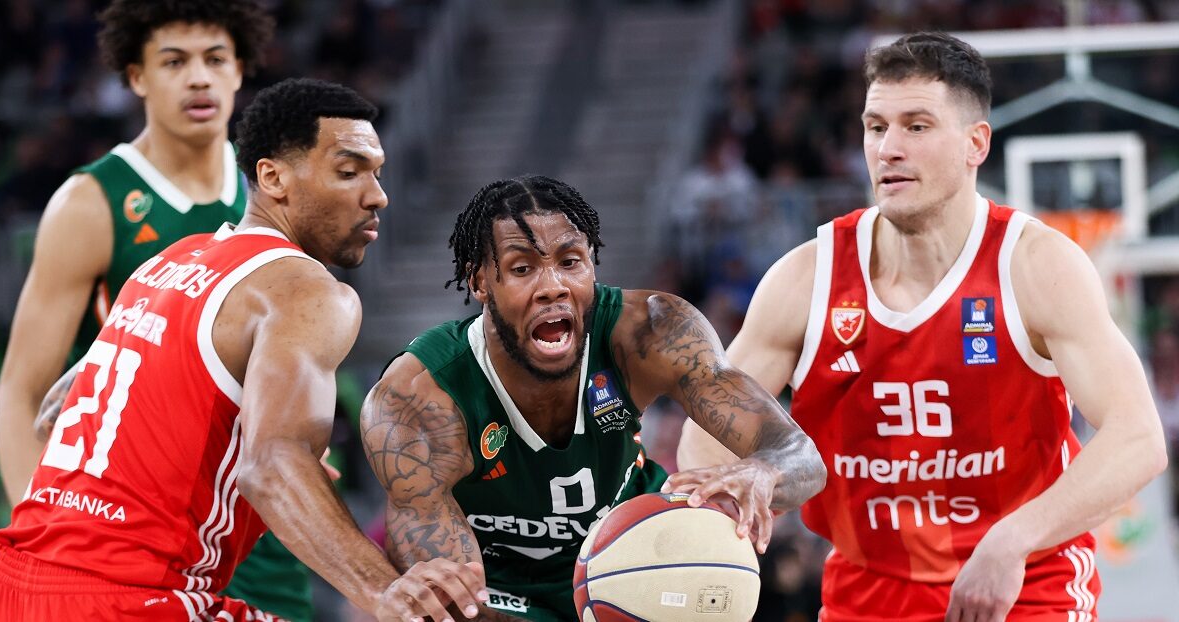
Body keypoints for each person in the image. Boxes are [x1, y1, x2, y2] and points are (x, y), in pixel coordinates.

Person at [677, 32, 1168, 621]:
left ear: (974, 144)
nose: (888, 148)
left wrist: (1012, 540)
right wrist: (727, 504)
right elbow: (706, 432)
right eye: (875, 126)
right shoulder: (808, 278)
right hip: (867, 592)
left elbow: (1138, 437)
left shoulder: (1037, 266)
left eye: (916, 126)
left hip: (1026, 584)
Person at [0, 77, 486, 622]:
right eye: (349, 172)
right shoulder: (306, 290)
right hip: (133, 599)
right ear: (272, 177)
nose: (376, 195)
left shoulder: (167, 264)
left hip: (13, 584)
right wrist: (386, 592)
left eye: (377, 173)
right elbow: (270, 466)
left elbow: (55, 412)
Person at [361, 175, 828, 621]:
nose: (553, 287)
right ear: (480, 281)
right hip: (504, 597)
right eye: (522, 268)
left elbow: (804, 462)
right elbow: (450, 604)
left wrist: (762, 472)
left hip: (645, 553)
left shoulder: (651, 331)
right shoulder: (419, 399)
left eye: (570, 262)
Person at [0, 2, 315, 618]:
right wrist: (47, 542)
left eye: (215, 59)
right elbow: (21, 390)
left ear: (241, 69)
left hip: (259, 531)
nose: (199, 77)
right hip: (136, 538)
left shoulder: (282, 194)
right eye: (174, 61)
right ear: (136, 76)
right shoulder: (92, 202)